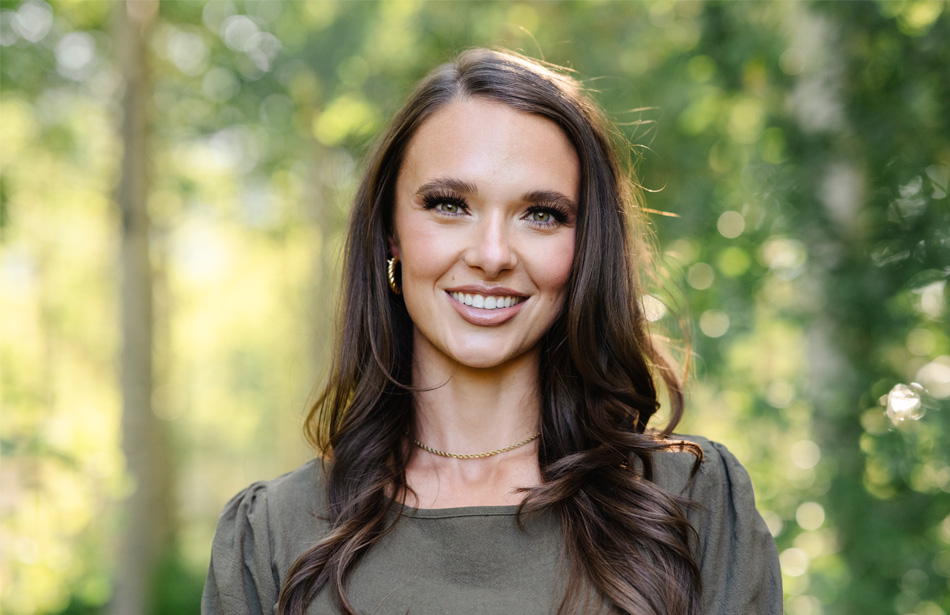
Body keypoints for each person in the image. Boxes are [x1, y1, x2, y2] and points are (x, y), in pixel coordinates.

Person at [202, 48, 782, 615]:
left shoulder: (692, 505)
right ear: (390, 234)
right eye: (450, 204)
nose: (492, 254)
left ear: (586, 248)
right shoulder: (272, 536)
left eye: (542, 214)